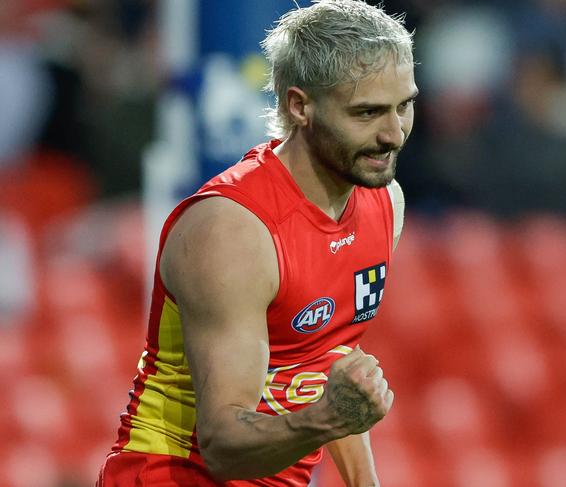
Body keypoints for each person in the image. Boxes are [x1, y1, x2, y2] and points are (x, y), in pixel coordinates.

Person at [97, 0, 417, 485]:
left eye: (404, 105)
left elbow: (330, 368)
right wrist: (328, 416)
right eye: (367, 112)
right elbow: (223, 448)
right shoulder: (232, 231)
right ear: (299, 105)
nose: (393, 134)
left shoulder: (383, 204)